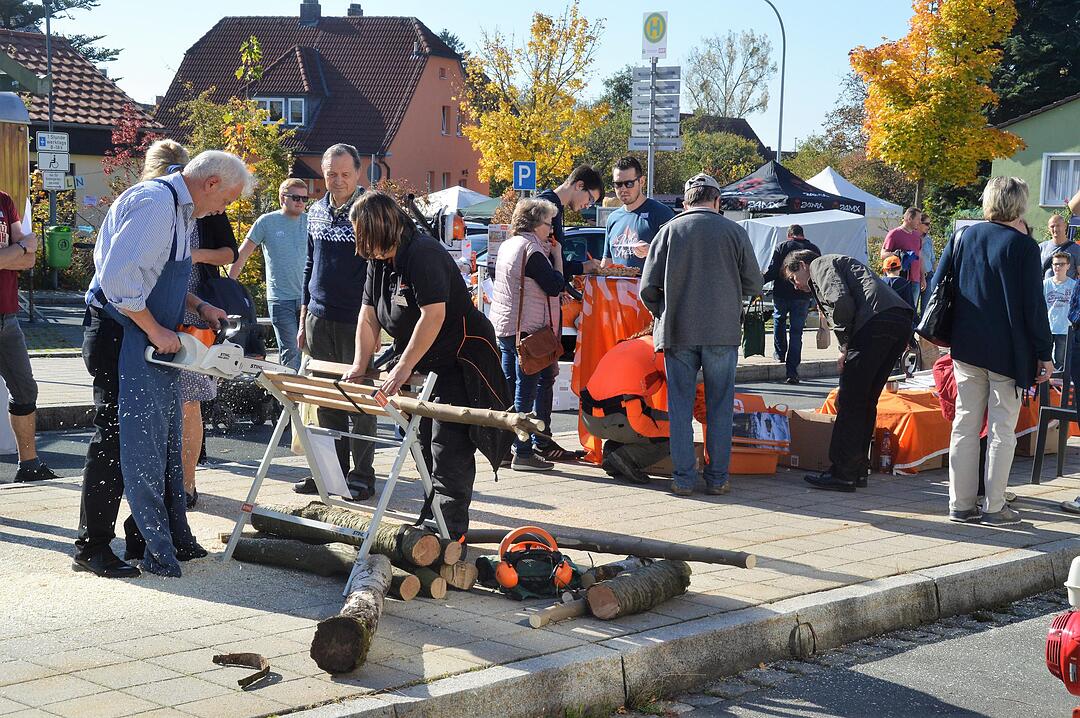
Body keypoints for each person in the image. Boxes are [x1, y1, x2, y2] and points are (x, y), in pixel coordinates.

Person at [76, 150, 249, 578]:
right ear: (210, 184)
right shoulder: (155, 205)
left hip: (143, 333)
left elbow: (158, 276)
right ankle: (92, 545)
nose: (223, 209)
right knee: (117, 438)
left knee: (155, 438)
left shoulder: (180, 209)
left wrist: (199, 305)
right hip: (118, 334)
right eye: (226, 199)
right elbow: (120, 283)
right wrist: (155, 330)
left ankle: (145, 533)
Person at [341, 191, 511, 540]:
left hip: (459, 360)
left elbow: (433, 317)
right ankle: (430, 523)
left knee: (447, 447)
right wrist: (360, 364)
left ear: (381, 229)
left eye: (364, 235)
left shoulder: (423, 254)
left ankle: (450, 534)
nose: (363, 246)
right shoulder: (379, 259)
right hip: (423, 361)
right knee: (420, 443)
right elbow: (368, 314)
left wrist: (401, 370)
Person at [932, 176, 1053, 525]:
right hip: (1009, 352)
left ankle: (960, 503)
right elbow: (1034, 306)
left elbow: (939, 286)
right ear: (1019, 204)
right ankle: (995, 506)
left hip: (966, 347)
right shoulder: (1025, 247)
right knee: (1002, 430)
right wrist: (1044, 353)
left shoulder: (964, 236)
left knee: (964, 425)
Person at [640, 173, 761, 496]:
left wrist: (663, 312)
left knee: (679, 408)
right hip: (722, 331)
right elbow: (754, 284)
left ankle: (682, 478)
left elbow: (647, 289)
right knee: (720, 406)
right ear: (717, 201)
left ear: (685, 201)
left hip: (677, 330)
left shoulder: (667, 232)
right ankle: (718, 478)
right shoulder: (734, 232)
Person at [137, 140, 239, 511]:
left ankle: (186, 481)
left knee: (189, 401)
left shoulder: (207, 202)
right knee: (162, 404)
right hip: (154, 311)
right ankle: (164, 482)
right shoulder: (156, 202)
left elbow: (230, 252)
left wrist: (190, 257)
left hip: (191, 308)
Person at [782, 250, 913, 492]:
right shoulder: (840, 262)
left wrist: (845, 346)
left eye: (793, 278)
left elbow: (840, 302)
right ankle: (858, 470)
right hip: (897, 320)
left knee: (850, 401)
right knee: (866, 401)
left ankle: (842, 472)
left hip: (874, 323)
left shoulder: (821, 264)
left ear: (802, 265)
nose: (797, 286)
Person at [294, 144, 376, 501]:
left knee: (360, 401)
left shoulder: (370, 211)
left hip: (358, 320)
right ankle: (332, 474)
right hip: (318, 317)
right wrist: (302, 316)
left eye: (345, 174)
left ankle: (362, 476)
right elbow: (309, 266)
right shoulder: (315, 211)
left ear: (359, 173)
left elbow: (380, 269)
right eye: (331, 174)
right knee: (325, 401)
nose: (337, 181)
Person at [532, 165, 603, 461]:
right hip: (539, 307)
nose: (589, 205)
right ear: (579, 185)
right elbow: (544, 260)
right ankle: (538, 442)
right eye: (590, 198)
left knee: (539, 374)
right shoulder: (549, 207)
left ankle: (535, 440)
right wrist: (579, 269)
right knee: (540, 373)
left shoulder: (552, 207)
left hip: (543, 303)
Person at [489, 198, 564, 472]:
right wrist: (557, 257)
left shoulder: (509, 245)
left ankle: (504, 448)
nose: (551, 230)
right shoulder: (532, 251)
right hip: (528, 331)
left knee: (509, 388)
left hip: (506, 326)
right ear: (535, 224)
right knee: (525, 391)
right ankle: (522, 452)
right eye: (548, 224)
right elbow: (555, 286)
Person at [0, 190, 57, 483]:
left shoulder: (4, 201)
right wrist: (21, 248)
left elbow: (30, 259)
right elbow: (25, 248)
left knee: (24, 390)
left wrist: (18, 252)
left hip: (8, 317)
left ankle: (29, 465)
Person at [230, 177, 309, 372]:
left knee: (311, 352)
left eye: (304, 199)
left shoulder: (312, 221)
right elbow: (242, 254)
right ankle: (288, 400)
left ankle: (306, 400)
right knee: (291, 350)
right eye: (296, 197)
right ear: (283, 198)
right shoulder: (266, 222)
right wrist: (229, 285)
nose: (301, 202)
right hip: (280, 300)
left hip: (309, 300)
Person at [580, 332, 672, 485]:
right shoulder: (658, 349)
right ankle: (627, 457)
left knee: (644, 420)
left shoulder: (624, 345)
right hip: (620, 416)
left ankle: (611, 453)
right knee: (678, 430)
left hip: (590, 419)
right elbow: (679, 381)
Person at [762, 224, 821, 384]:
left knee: (779, 320)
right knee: (797, 332)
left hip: (781, 293)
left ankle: (780, 353)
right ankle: (792, 371)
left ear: (789, 235)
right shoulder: (813, 249)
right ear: (802, 234)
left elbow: (773, 271)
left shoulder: (782, 247)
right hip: (803, 295)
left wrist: (758, 282)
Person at [602, 156, 675, 270]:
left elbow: (678, 257)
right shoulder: (613, 218)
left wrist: (651, 250)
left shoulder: (662, 213)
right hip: (616, 287)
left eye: (629, 183)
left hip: (648, 287)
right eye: (618, 184)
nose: (623, 189)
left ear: (642, 181)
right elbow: (607, 262)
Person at [1045, 251, 1077, 371]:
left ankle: (1060, 386)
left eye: (1062, 264)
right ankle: (1047, 386)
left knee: (1061, 361)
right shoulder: (1045, 284)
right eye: (1055, 264)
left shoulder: (1073, 285)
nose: (1058, 267)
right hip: (1048, 327)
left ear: (1068, 266)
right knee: (1046, 360)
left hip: (1065, 328)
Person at [881, 207, 925, 291]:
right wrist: (900, 255)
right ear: (909, 219)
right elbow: (883, 255)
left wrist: (922, 277)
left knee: (912, 305)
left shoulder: (917, 236)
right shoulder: (894, 234)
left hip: (915, 280)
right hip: (898, 280)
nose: (920, 222)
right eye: (918, 219)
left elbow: (920, 258)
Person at [1039, 214, 1080, 279]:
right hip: (1046, 288)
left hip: (1068, 288)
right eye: (1052, 226)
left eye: (1058, 225)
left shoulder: (1076, 249)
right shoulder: (1041, 247)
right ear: (1048, 228)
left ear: (1065, 226)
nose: (1055, 229)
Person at [918, 212, 936, 313]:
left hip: (929, 275)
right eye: (926, 224)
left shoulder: (929, 240)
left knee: (927, 307)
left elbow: (933, 259)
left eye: (930, 224)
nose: (929, 227)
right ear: (919, 223)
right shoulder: (913, 238)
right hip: (916, 276)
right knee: (914, 305)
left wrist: (938, 275)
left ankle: (923, 328)